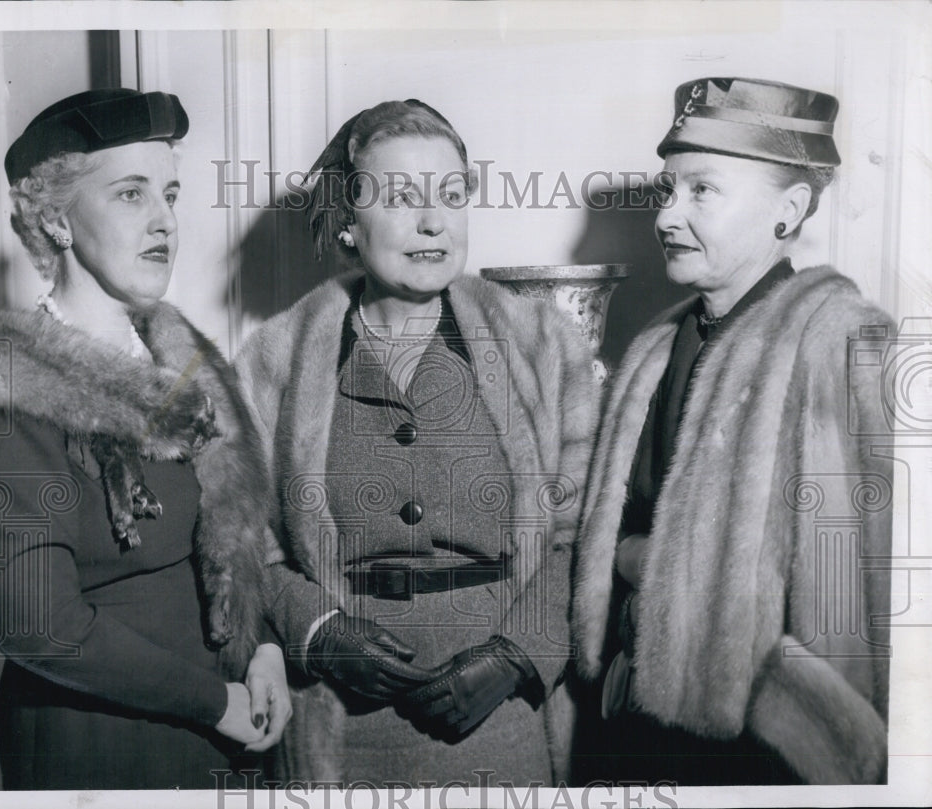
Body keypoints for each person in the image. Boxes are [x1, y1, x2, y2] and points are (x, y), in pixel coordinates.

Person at [234, 99, 599, 787]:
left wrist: (516, 657)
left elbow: (583, 537)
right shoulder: (273, 362)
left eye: (451, 194)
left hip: (502, 722)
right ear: (347, 220)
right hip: (339, 728)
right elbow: (246, 546)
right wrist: (319, 634)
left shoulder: (544, 348)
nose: (433, 221)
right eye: (402, 197)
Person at [0, 88, 291, 790]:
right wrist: (216, 701)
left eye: (169, 194)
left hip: (224, 740)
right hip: (100, 751)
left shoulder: (185, 359)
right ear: (56, 220)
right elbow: (36, 622)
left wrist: (262, 649)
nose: (166, 220)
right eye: (131, 195)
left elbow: (229, 552)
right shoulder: (6, 387)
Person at [571, 77, 893, 785]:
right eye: (668, 190)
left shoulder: (837, 341)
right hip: (633, 736)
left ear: (790, 208)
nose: (666, 216)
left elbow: (849, 606)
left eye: (701, 191)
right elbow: (609, 535)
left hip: (760, 755)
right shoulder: (654, 347)